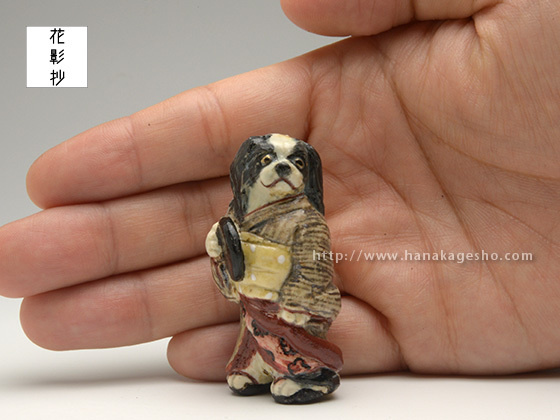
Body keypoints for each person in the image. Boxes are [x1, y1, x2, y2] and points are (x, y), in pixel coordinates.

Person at [0, 0, 559, 381]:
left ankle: (308, 375)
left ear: (308, 176)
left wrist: (294, 303)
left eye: (295, 163)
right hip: (254, 306)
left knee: (287, 345)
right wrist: (223, 254)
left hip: (292, 307)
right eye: (268, 162)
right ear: (248, 175)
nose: (283, 169)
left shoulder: (310, 221)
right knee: (249, 353)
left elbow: (315, 269)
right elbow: (232, 277)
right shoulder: (238, 218)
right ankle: (260, 370)